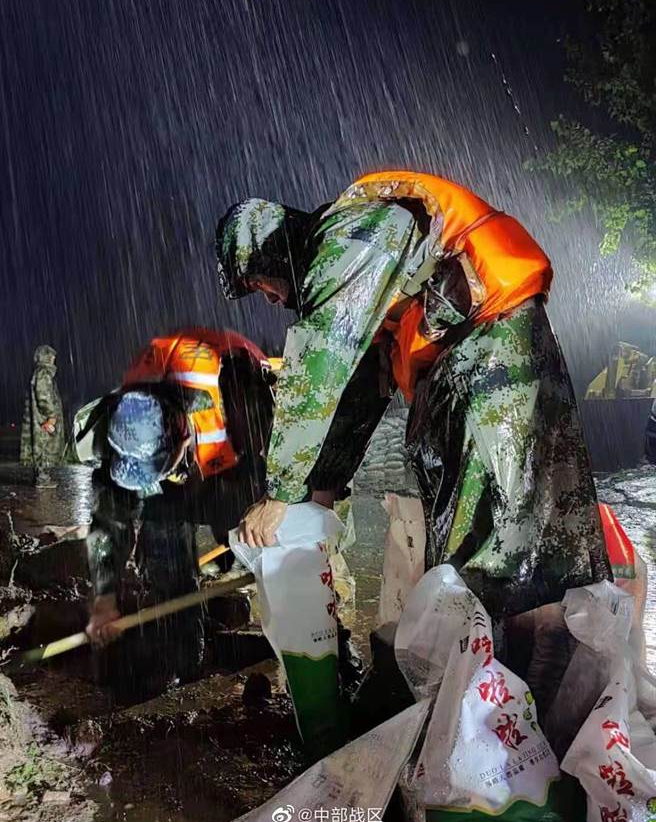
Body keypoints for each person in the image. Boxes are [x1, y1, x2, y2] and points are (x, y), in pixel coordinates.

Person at [215, 171, 611, 661]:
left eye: (260, 285)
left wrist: (281, 492)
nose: (273, 300)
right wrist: (319, 490)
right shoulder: (365, 269)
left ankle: (502, 707)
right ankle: (518, 695)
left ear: (273, 251)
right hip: (489, 355)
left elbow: (320, 365)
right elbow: (361, 388)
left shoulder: (349, 240)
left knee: (496, 552)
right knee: (523, 541)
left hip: (488, 360)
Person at [75, 328, 275, 701]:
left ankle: (305, 640)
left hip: (234, 466)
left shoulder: (239, 395)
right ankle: (185, 664)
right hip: (188, 468)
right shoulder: (124, 425)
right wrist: (104, 597)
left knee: (269, 546)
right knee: (165, 556)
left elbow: (293, 464)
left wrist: (275, 509)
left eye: (157, 470)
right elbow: (109, 521)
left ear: (183, 435)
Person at [20, 345, 65, 488]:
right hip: (43, 418)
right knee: (45, 445)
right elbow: (44, 397)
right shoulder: (43, 373)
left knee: (40, 444)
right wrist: (51, 415)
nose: (53, 360)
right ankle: (42, 478)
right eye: (51, 357)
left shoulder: (38, 373)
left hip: (39, 418)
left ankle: (40, 476)